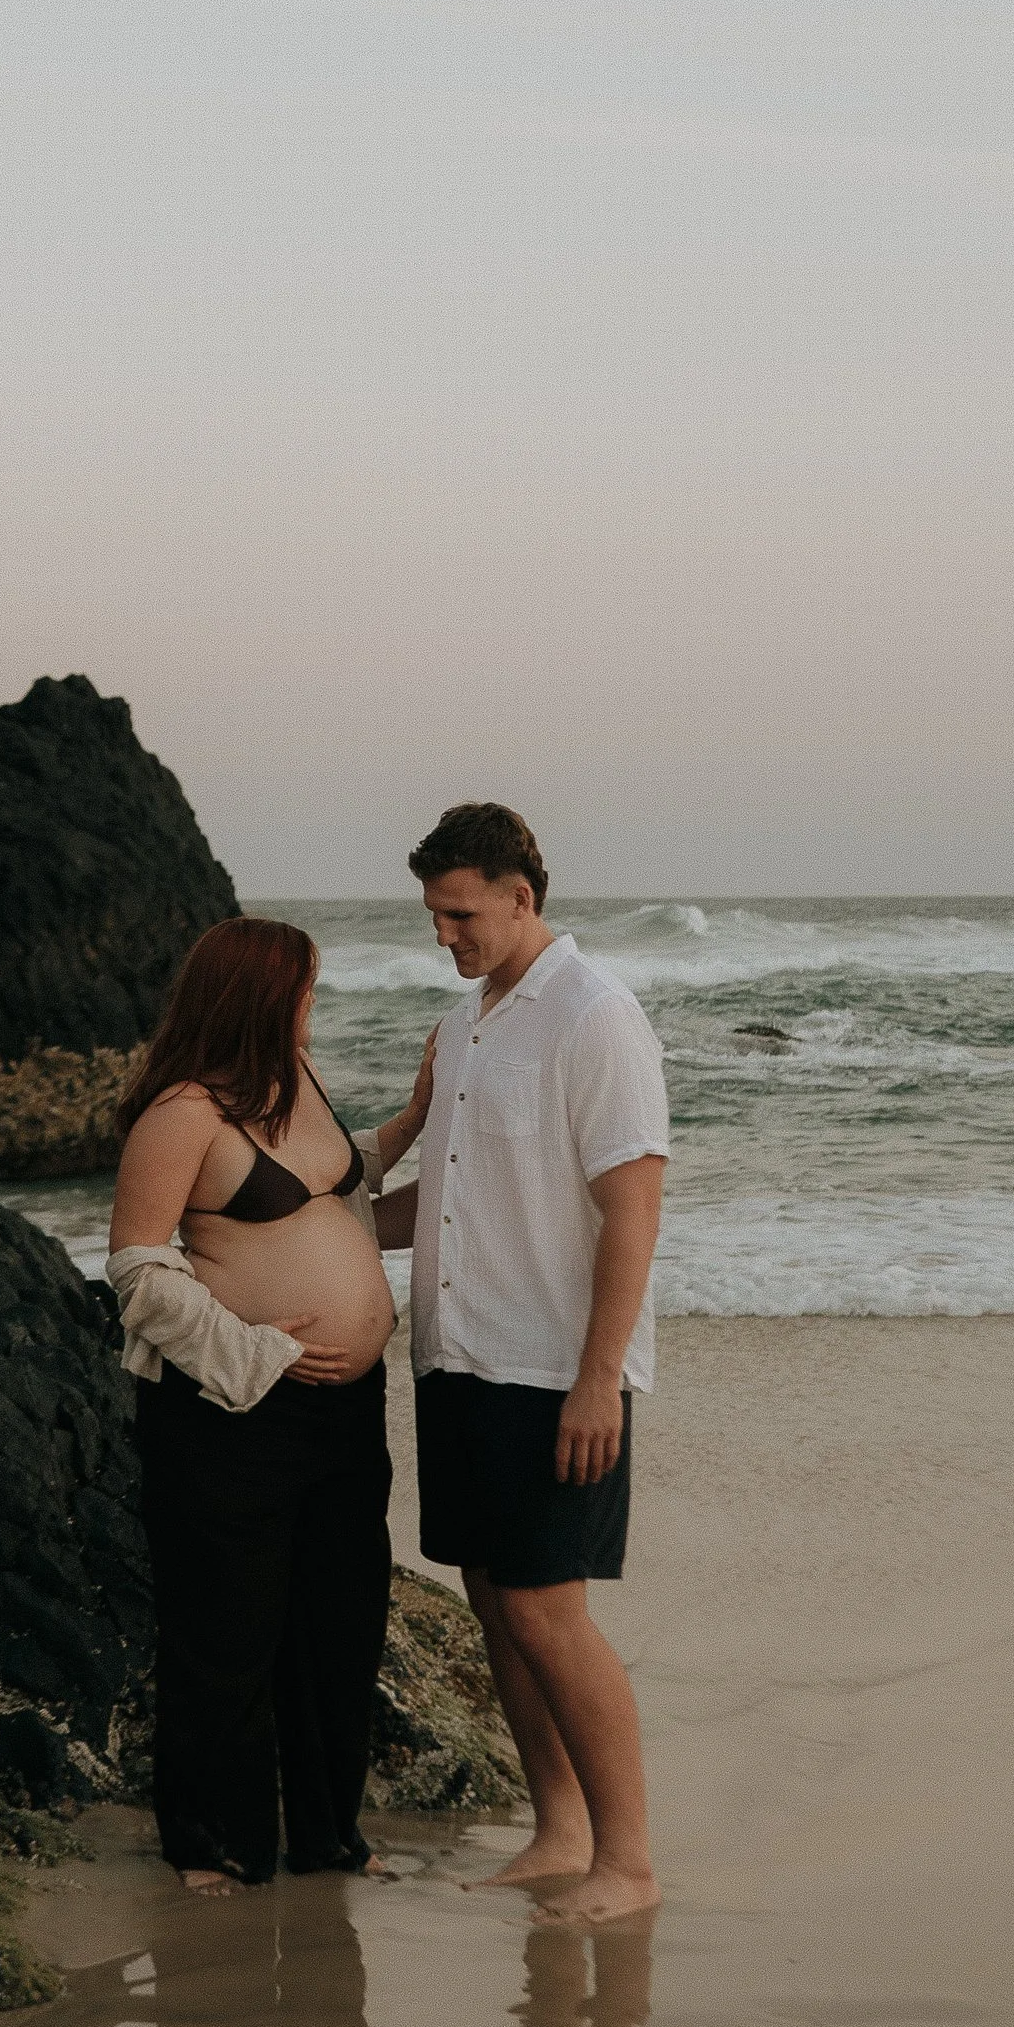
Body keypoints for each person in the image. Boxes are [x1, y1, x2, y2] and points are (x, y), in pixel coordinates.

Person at [369, 804, 669, 1924]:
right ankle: (560, 1829)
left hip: (552, 1369)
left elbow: (632, 1209)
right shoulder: (463, 1027)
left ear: (520, 895)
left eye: (461, 913)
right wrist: (311, 1237)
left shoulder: (593, 1017)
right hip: (459, 1355)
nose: (445, 935)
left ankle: (628, 1861)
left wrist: (601, 1378)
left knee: (550, 1613)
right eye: (434, 916)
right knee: (495, 1603)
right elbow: (437, 1199)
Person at [107, 916, 400, 1894]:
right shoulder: (183, 1114)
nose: (315, 1003)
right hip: (232, 1414)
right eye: (305, 988)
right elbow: (139, 1272)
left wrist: (418, 1117)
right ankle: (210, 1842)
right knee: (226, 1630)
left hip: (346, 1414)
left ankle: (326, 1835)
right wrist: (263, 1353)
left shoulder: (299, 1087)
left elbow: (334, 1190)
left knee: (340, 1623)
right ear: (260, 996)